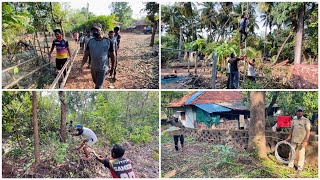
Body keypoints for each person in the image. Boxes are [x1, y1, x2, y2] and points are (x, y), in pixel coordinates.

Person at [81, 23, 115, 89]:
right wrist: (82, 65)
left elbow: (113, 56)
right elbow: (86, 55)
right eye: (93, 30)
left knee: (97, 87)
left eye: (97, 30)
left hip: (103, 68)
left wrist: (112, 68)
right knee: (96, 82)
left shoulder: (108, 41)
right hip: (93, 68)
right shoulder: (90, 42)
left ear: (101, 30)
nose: (95, 31)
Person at [285, 107, 311, 172]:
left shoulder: (306, 120)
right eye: (298, 111)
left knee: (301, 154)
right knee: (291, 153)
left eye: (301, 111)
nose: (299, 112)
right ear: (296, 112)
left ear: (302, 112)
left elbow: (308, 132)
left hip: (302, 141)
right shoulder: (294, 120)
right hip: (293, 140)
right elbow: (291, 130)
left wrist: (305, 141)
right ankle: (290, 166)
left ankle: (299, 168)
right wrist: (288, 138)